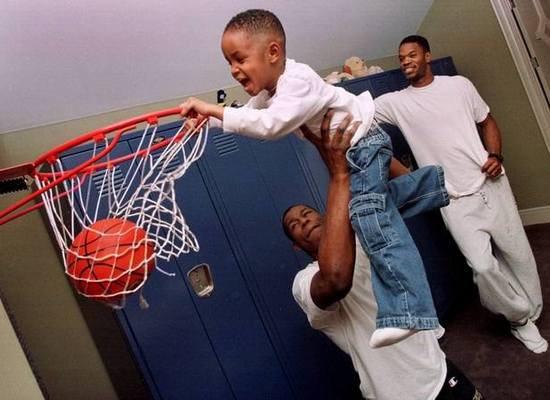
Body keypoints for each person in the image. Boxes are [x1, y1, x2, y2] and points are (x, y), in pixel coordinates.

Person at [180, 8, 449, 347]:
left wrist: (213, 109)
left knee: (370, 217)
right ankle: (434, 186)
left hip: (363, 144)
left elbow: (270, 126)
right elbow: (249, 114)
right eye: (229, 63)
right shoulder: (272, 90)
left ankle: (409, 308)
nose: (234, 70)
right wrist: (210, 120)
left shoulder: (297, 81)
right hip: (355, 149)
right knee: (367, 207)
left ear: (273, 52)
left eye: (239, 59)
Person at [284, 111, 485, 399]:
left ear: (328, 216)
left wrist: (366, 149)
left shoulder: (362, 231)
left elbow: (384, 192)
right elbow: (336, 279)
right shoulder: (304, 283)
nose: (303, 221)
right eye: (295, 225)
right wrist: (339, 174)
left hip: (438, 371)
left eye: (306, 214)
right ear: (296, 245)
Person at [374, 35, 547, 354]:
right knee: (482, 266)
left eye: (412, 55)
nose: (406, 61)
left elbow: (488, 121)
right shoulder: (395, 103)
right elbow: (356, 115)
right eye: (401, 58)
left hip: (490, 185)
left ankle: (533, 308)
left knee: (517, 254)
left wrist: (495, 155)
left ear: (428, 55)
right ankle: (520, 319)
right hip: (452, 198)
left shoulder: (459, 86)